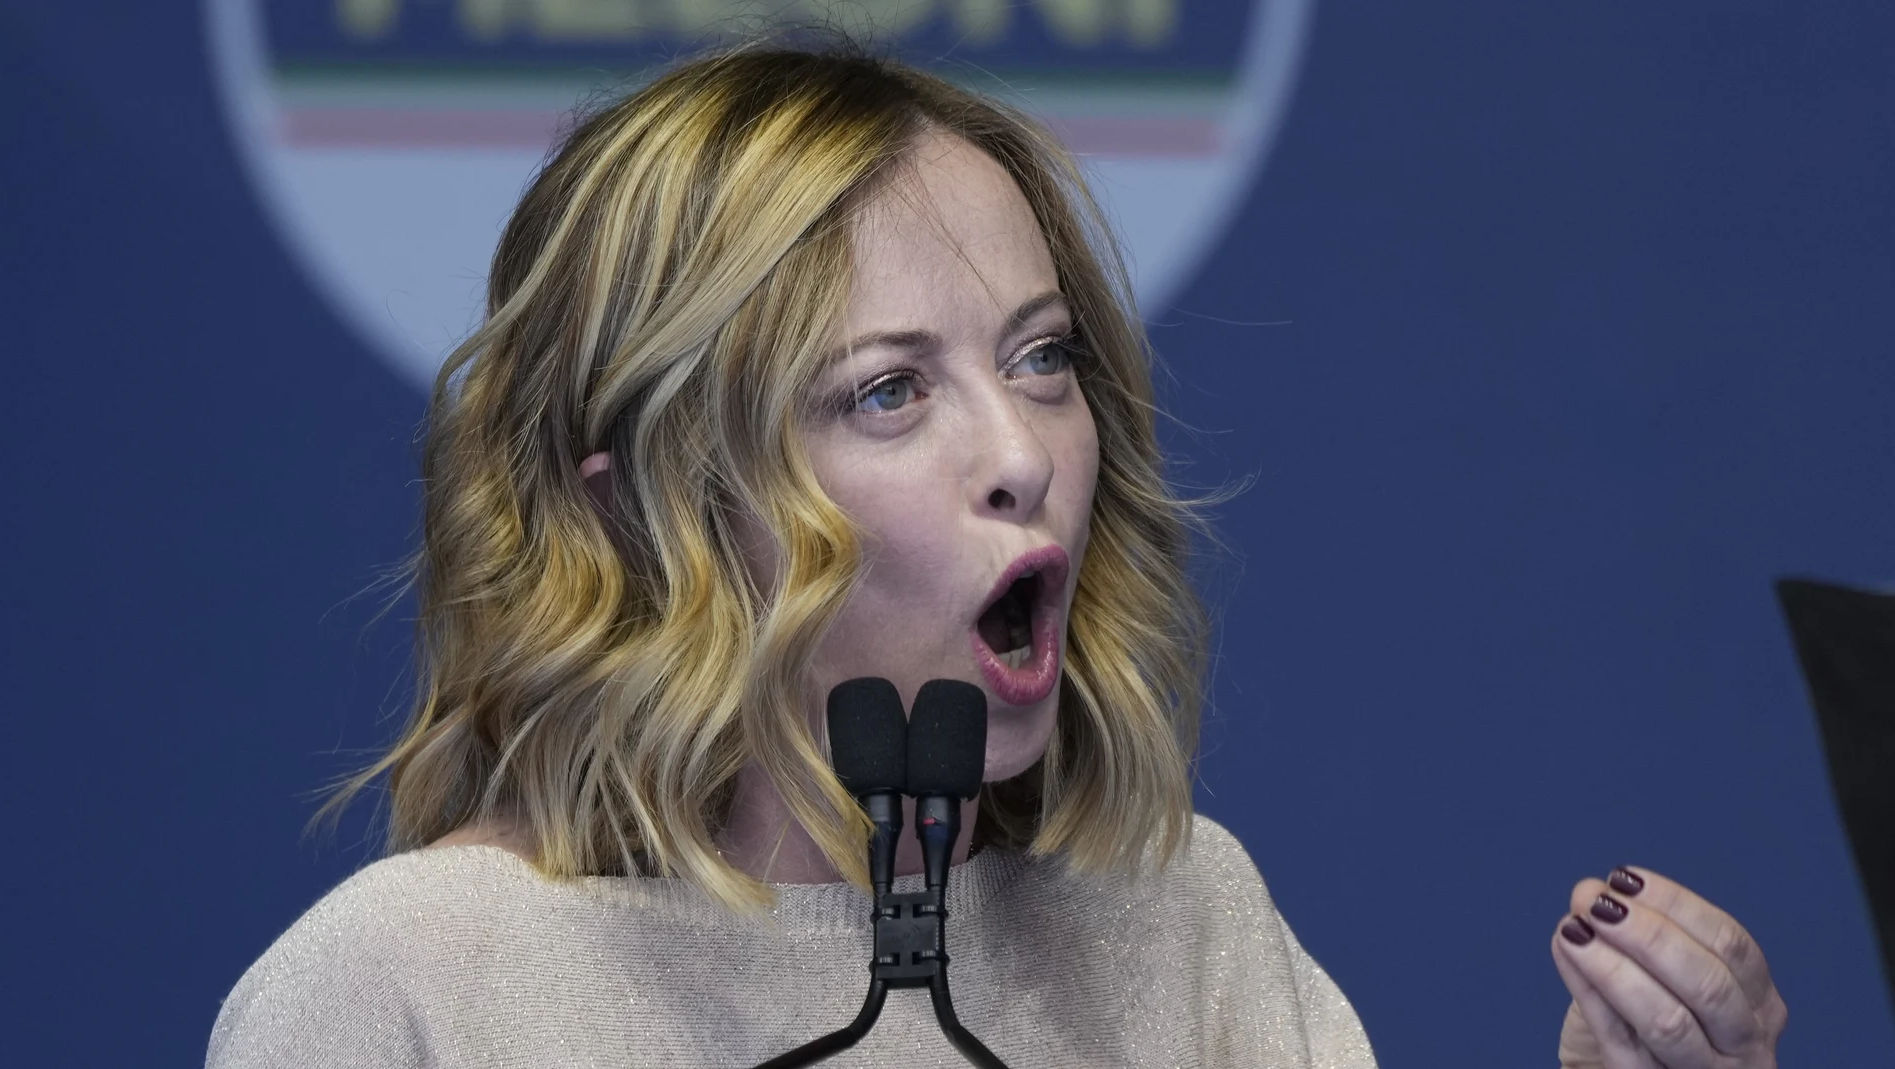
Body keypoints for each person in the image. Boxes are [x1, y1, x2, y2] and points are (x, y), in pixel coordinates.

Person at [205, 45, 1787, 1069]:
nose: (1024, 454)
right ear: (640, 507)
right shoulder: (403, 993)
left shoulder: (1183, 930)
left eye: (1041, 361)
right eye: (889, 392)